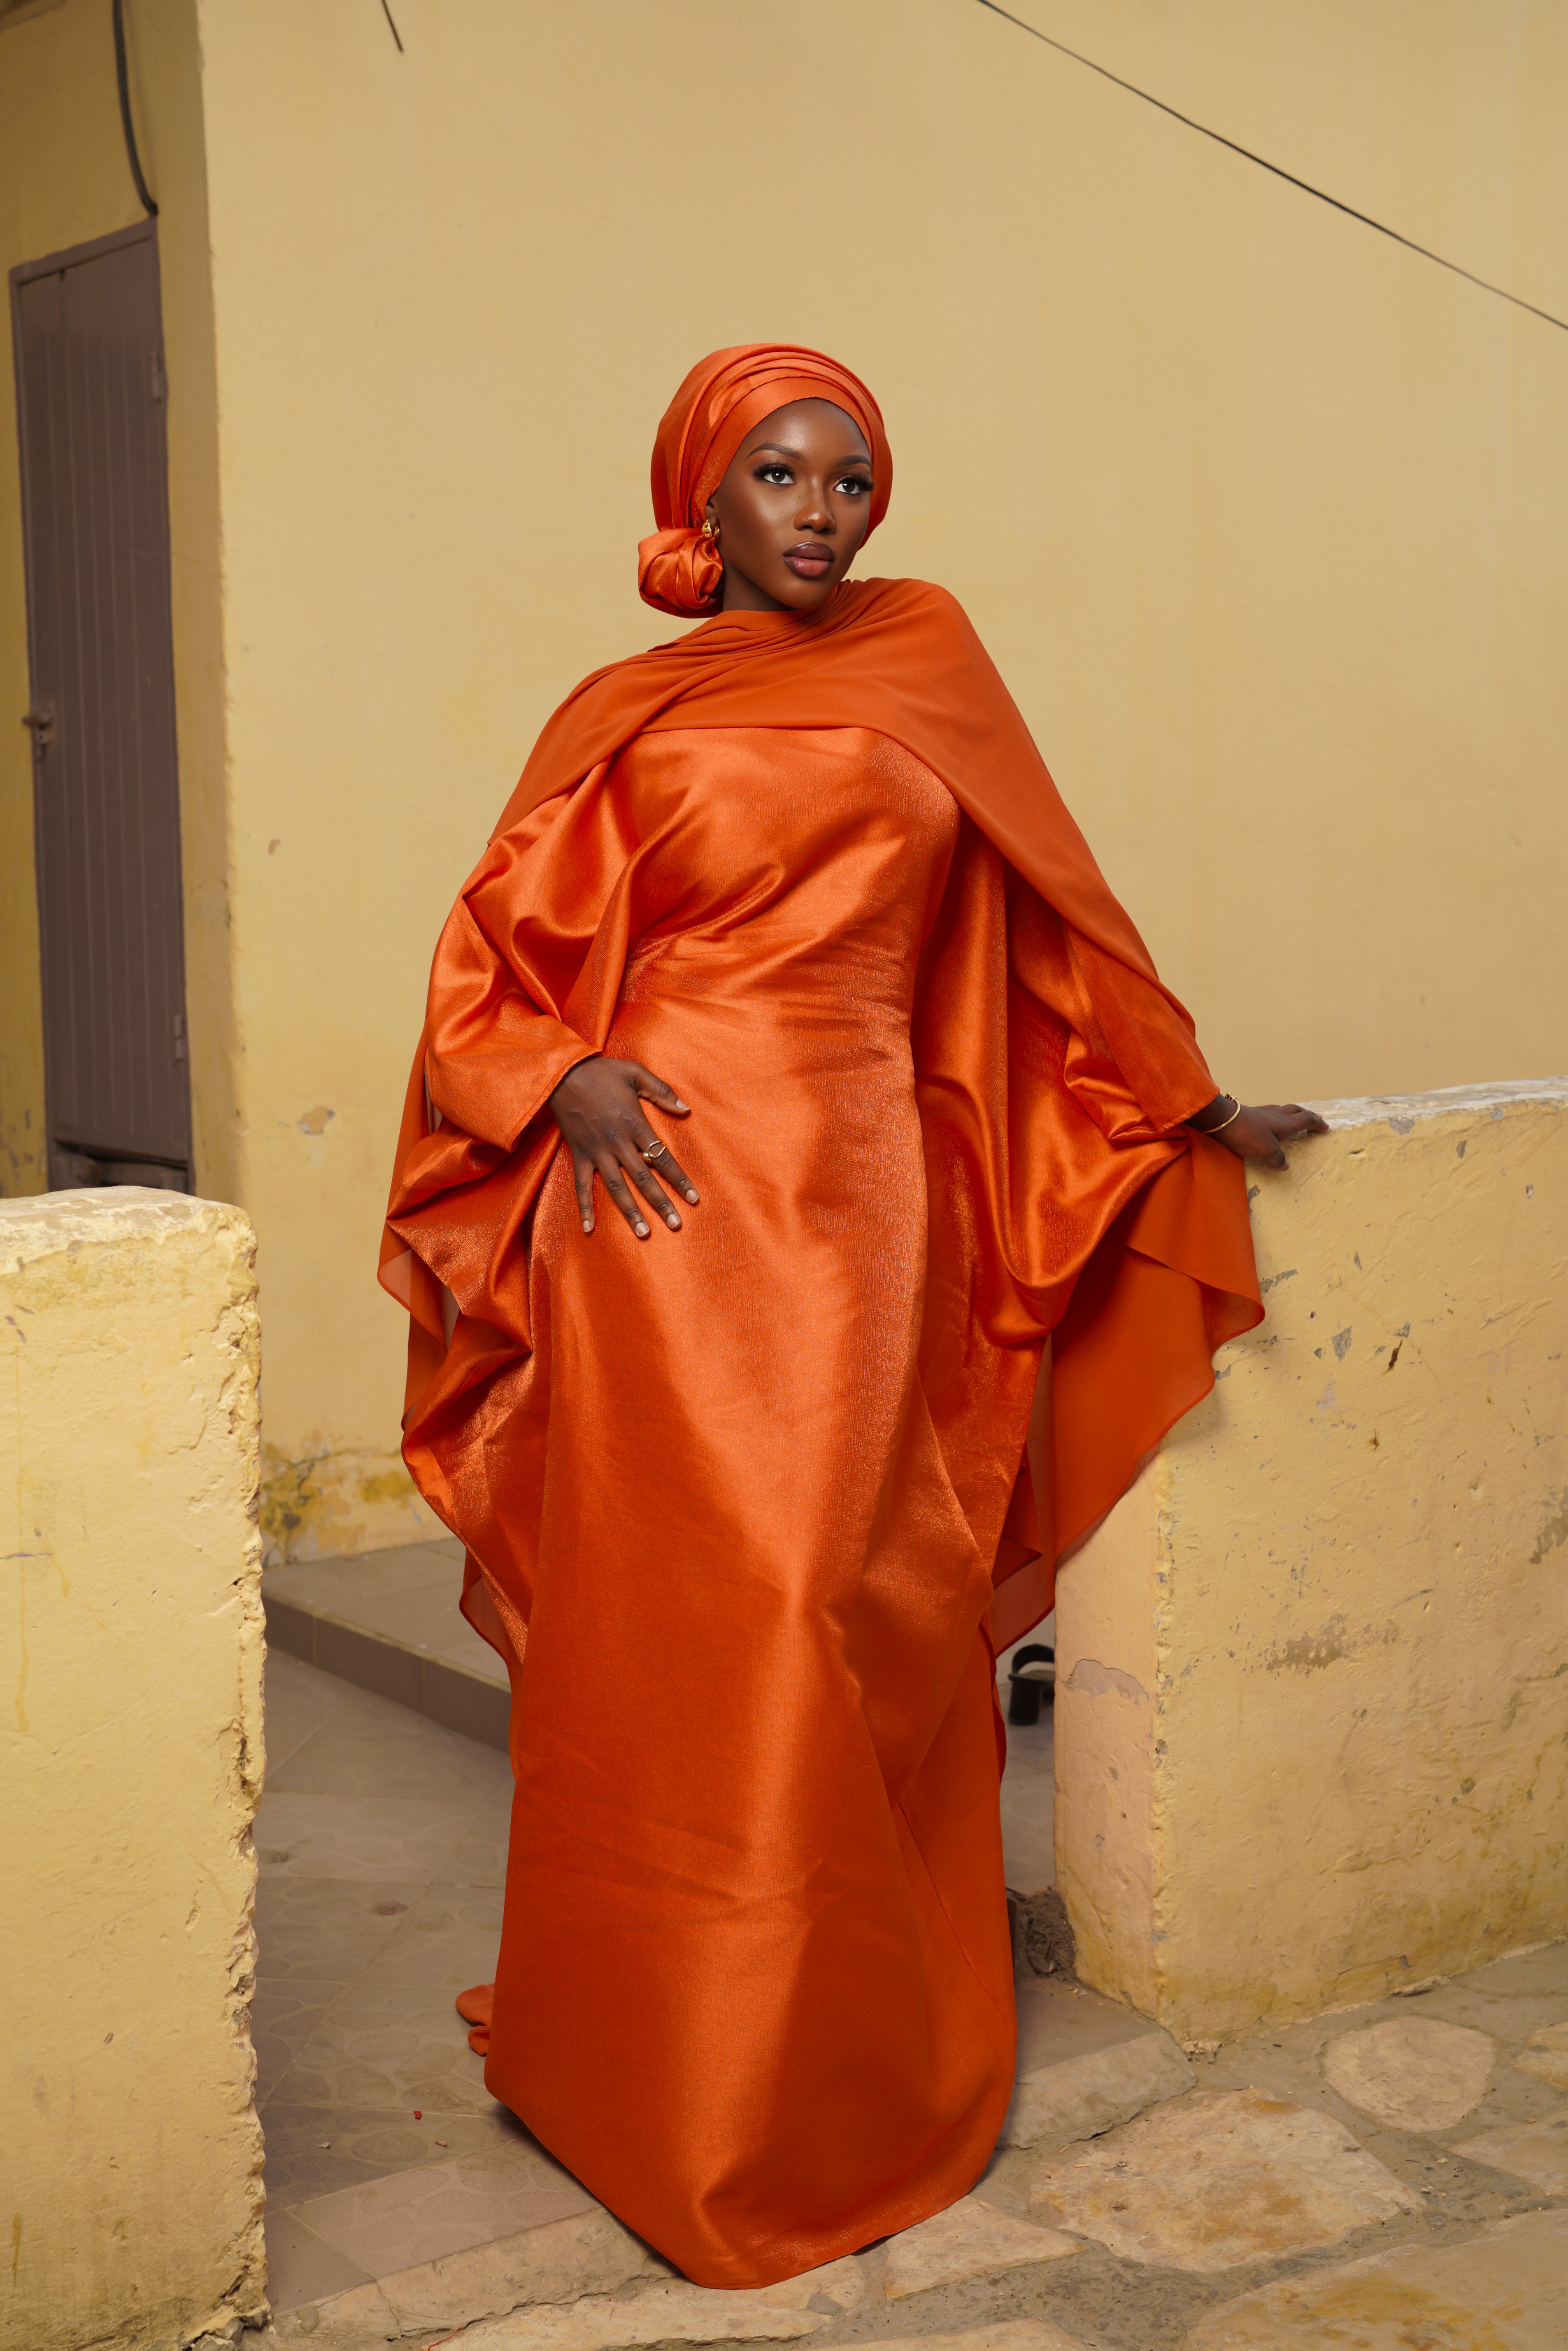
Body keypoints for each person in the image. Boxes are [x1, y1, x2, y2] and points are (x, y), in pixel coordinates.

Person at [379, 344, 1325, 2288]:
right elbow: (486, 966)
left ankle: (804, 2070)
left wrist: (1186, 1102)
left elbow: (1053, 914)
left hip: (857, 1195)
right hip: (655, 1205)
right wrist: (558, 1076)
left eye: (850, 480)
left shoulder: (925, 660)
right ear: (701, 500)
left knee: (833, 1595)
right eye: (780, 476)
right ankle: (644, 2059)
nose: (820, 513)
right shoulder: (626, 711)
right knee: (678, 1613)